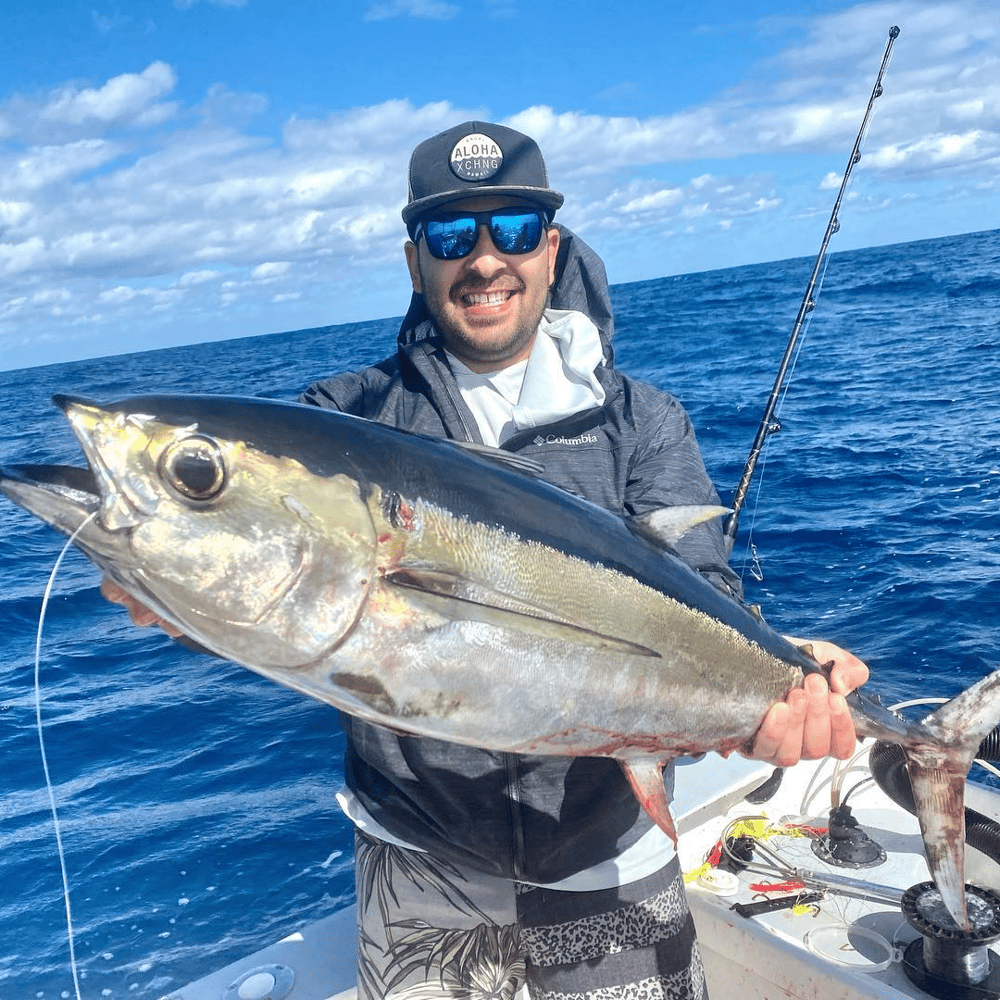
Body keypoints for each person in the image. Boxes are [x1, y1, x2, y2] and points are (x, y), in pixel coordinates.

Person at [103, 121, 868, 999]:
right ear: (414, 259)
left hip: (608, 854)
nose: (484, 259)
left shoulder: (644, 423)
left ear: (551, 246)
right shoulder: (349, 419)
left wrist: (779, 693)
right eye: (451, 234)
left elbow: (706, 602)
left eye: (510, 230)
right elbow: (292, 600)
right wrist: (184, 596)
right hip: (419, 867)